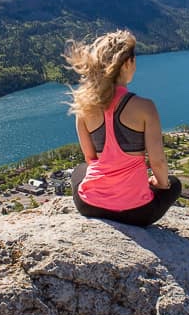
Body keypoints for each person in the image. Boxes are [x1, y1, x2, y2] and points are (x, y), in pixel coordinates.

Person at [64, 29, 181, 227]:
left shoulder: (84, 106)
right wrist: (161, 184)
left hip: (89, 205)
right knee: (174, 184)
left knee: (80, 170)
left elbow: (91, 159)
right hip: (137, 213)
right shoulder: (145, 107)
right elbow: (158, 162)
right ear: (128, 62)